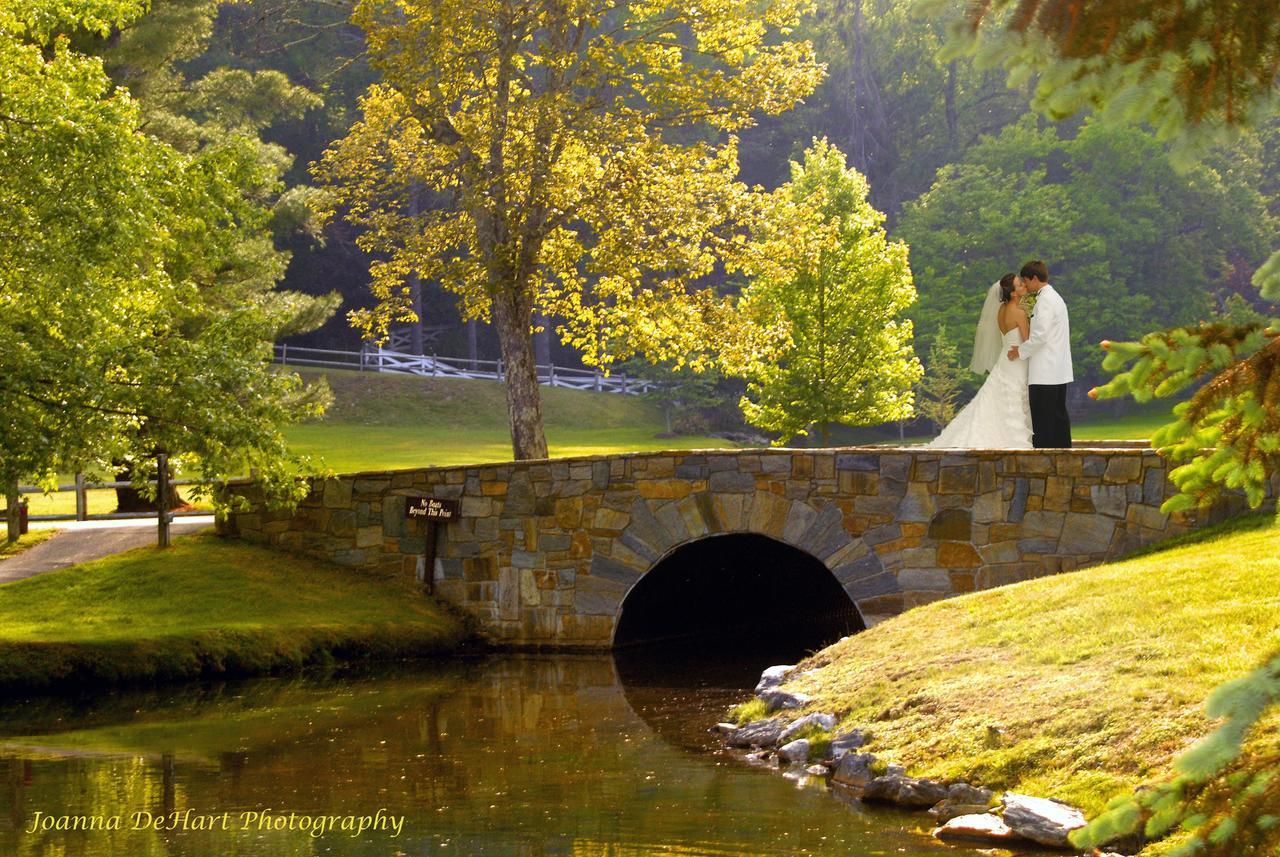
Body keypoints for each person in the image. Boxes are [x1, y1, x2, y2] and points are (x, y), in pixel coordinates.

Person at [927, 273, 1033, 449]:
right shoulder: (1019, 311)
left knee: (998, 400)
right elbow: (1029, 340)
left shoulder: (1001, 310)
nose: (1023, 285)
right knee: (1013, 401)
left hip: (1005, 361)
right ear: (1013, 293)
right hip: (1017, 361)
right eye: (1019, 285)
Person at [1006, 260, 1073, 448]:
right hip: (1056, 370)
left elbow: (1040, 336)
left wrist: (1020, 351)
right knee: (1058, 418)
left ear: (1035, 278)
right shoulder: (1054, 298)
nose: (1025, 285)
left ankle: (1044, 459)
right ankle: (1063, 455)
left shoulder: (1045, 301)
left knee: (1043, 420)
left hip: (1045, 372)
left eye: (1026, 281)